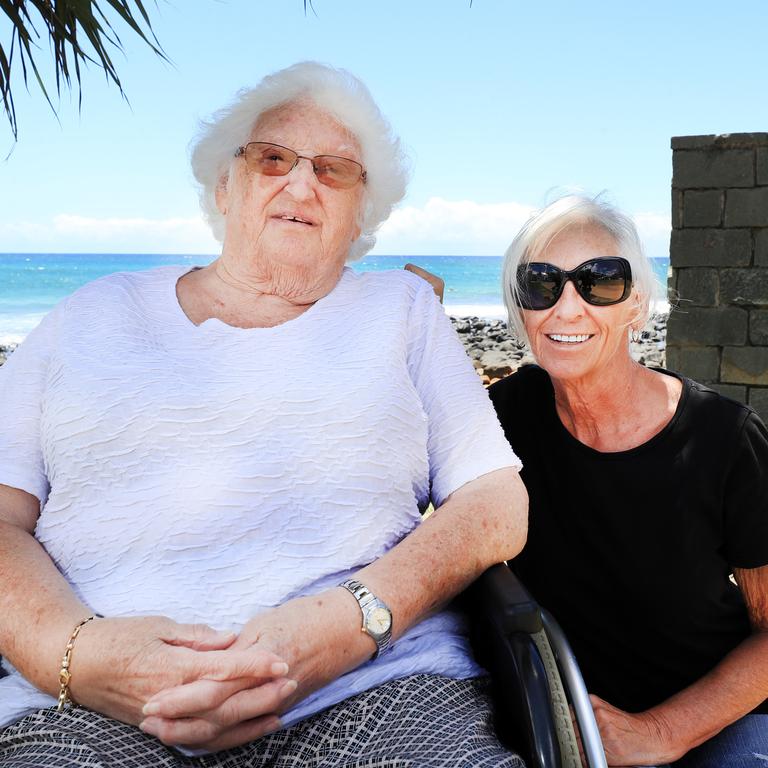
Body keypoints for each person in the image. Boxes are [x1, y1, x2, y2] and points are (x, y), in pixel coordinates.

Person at [0, 62, 528, 767]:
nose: (300, 184)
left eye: (335, 170)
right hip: (88, 710)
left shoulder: (400, 316)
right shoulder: (87, 317)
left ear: (362, 214)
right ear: (225, 184)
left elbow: (496, 500)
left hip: (373, 691)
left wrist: (352, 621)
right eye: (272, 158)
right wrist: (76, 652)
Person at [487, 194, 768, 767]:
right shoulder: (504, 417)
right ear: (521, 308)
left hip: (716, 720)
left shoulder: (725, 438)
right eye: (541, 283)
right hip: (570, 733)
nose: (566, 309)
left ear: (637, 305)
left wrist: (662, 732)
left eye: (600, 281)